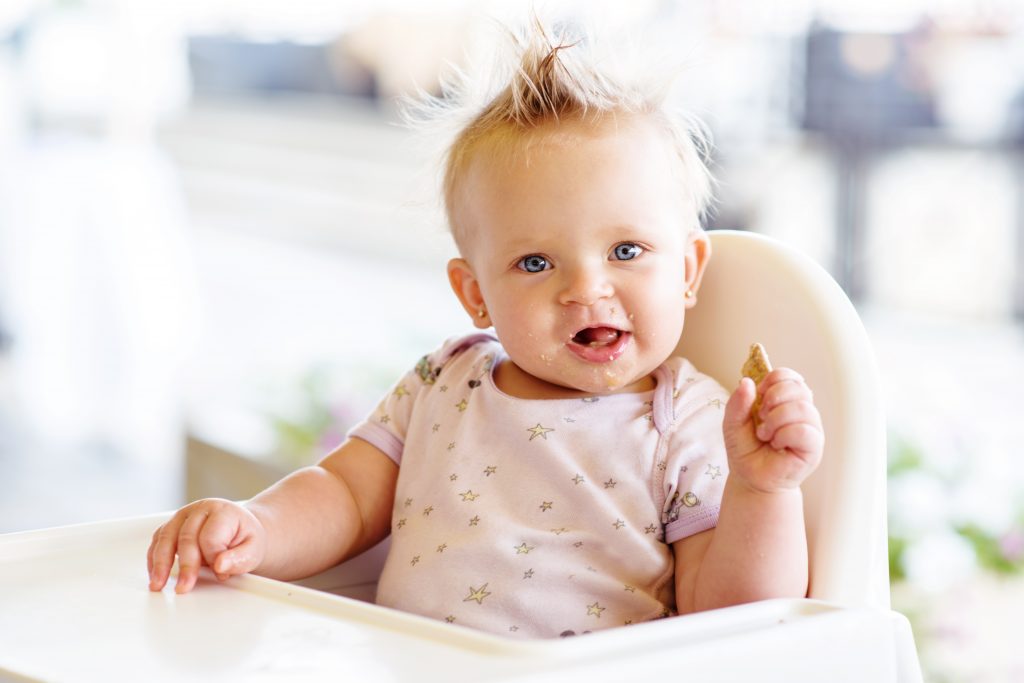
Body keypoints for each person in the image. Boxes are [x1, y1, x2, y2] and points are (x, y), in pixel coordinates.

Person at [147, 20, 824, 639]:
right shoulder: (444, 382)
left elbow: (729, 620)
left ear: (687, 268)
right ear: (475, 294)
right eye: (535, 262)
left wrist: (763, 491)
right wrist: (258, 527)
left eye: (625, 251)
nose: (586, 288)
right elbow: (345, 495)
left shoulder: (689, 422)